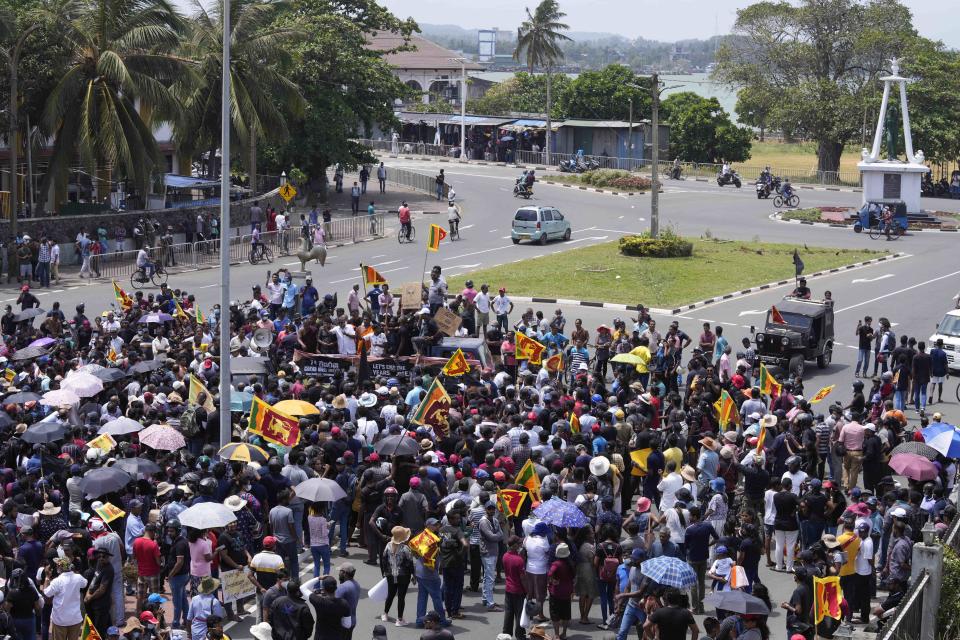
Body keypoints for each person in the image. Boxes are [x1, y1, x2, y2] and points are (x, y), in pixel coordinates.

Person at [42, 558, 87, 640]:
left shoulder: (57, 581)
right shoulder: (78, 577)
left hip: (60, 620)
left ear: (59, 567)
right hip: (75, 619)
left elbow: (46, 593)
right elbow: (85, 583)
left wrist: (47, 577)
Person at [380, 526, 414, 626]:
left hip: (390, 575)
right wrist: (413, 575)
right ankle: (399, 620)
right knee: (401, 597)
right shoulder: (405, 548)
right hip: (403, 576)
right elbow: (410, 563)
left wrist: (384, 573)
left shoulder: (388, 545)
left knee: (390, 594)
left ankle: (385, 614)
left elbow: (384, 560)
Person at [308, 576, 350, 640]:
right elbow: (347, 625)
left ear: (323, 589)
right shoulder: (344, 604)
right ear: (336, 588)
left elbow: (303, 588)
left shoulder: (318, 601)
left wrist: (318, 578)